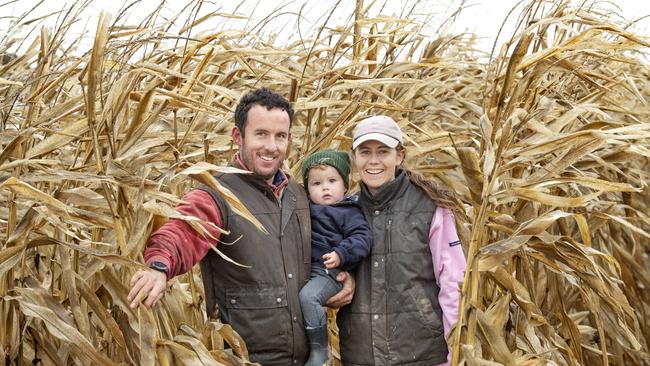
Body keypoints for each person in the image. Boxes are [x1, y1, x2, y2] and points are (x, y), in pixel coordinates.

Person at [127, 87, 354, 366]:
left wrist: (343, 279)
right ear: (238, 136)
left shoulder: (300, 195)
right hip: (244, 359)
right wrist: (160, 266)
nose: (271, 146)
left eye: (280, 136)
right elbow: (182, 230)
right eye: (261, 134)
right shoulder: (217, 195)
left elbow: (337, 239)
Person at [336, 115, 467, 366]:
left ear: (400, 156)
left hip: (422, 355)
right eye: (365, 152)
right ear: (354, 157)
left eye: (383, 152)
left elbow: (454, 283)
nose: (374, 161)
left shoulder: (430, 207)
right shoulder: (344, 211)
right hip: (360, 355)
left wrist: (456, 353)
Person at [298, 149, 373, 366]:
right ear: (307, 190)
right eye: (316, 183)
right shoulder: (304, 209)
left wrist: (341, 254)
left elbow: (362, 238)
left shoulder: (349, 212)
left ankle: (320, 351)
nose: (325, 188)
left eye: (332, 180)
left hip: (328, 273)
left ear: (345, 185)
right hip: (306, 270)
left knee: (308, 298)